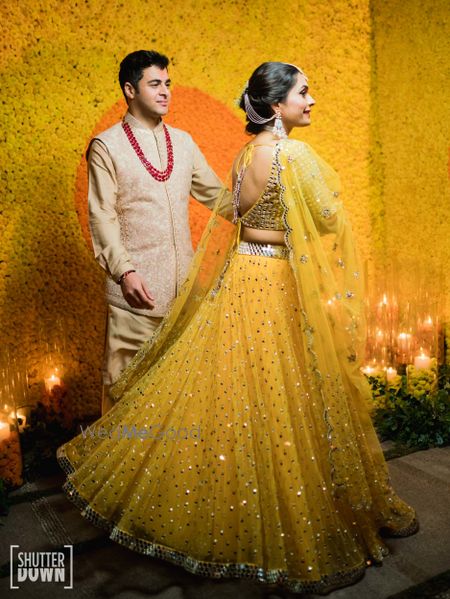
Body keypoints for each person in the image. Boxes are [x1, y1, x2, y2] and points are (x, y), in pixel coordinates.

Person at [58, 62, 418, 594]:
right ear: (276, 105)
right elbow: (323, 216)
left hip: (226, 278)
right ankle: (268, 515)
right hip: (210, 280)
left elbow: (226, 199)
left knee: (221, 393)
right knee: (271, 392)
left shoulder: (230, 149)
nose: (312, 100)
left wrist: (261, 212)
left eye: (168, 82)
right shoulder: (113, 147)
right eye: (304, 92)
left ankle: (193, 500)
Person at [87, 50, 227, 415]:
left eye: (167, 83)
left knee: (182, 398)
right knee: (127, 399)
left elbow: (217, 196)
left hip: (184, 297)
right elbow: (101, 216)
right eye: (155, 84)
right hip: (135, 295)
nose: (165, 91)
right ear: (130, 90)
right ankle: (118, 473)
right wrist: (124, 272)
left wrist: (267, 205)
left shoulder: (183, 142)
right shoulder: (107, 146)